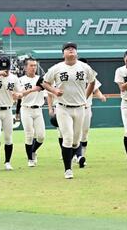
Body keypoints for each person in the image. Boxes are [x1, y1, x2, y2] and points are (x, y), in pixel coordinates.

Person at [42, 43, 96, 179]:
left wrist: (85, 97)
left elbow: (92, 81)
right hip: (63, 107)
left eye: (73, 48)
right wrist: (54, 90)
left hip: (79, 108)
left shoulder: (84, 67)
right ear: (63, 54)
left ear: (77, 53)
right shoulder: (57, 68)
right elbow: (44, 82)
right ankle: (68, 170)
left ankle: (71, 157)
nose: (71, 50)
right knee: (67, 137)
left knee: (75, 141)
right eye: (67, 49)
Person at [15, 58, 46, 167]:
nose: (33, 68)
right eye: (31, 65)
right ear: (25, 67)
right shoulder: (20, 80)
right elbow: (19, 95)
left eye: (35, 66)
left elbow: (48, 92)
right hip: (26, 109)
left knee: (41, 136)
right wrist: (33, 89)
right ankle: (30, 159)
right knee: (29, 134)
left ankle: (33, 151)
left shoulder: (41, 79)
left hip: (38, 109)